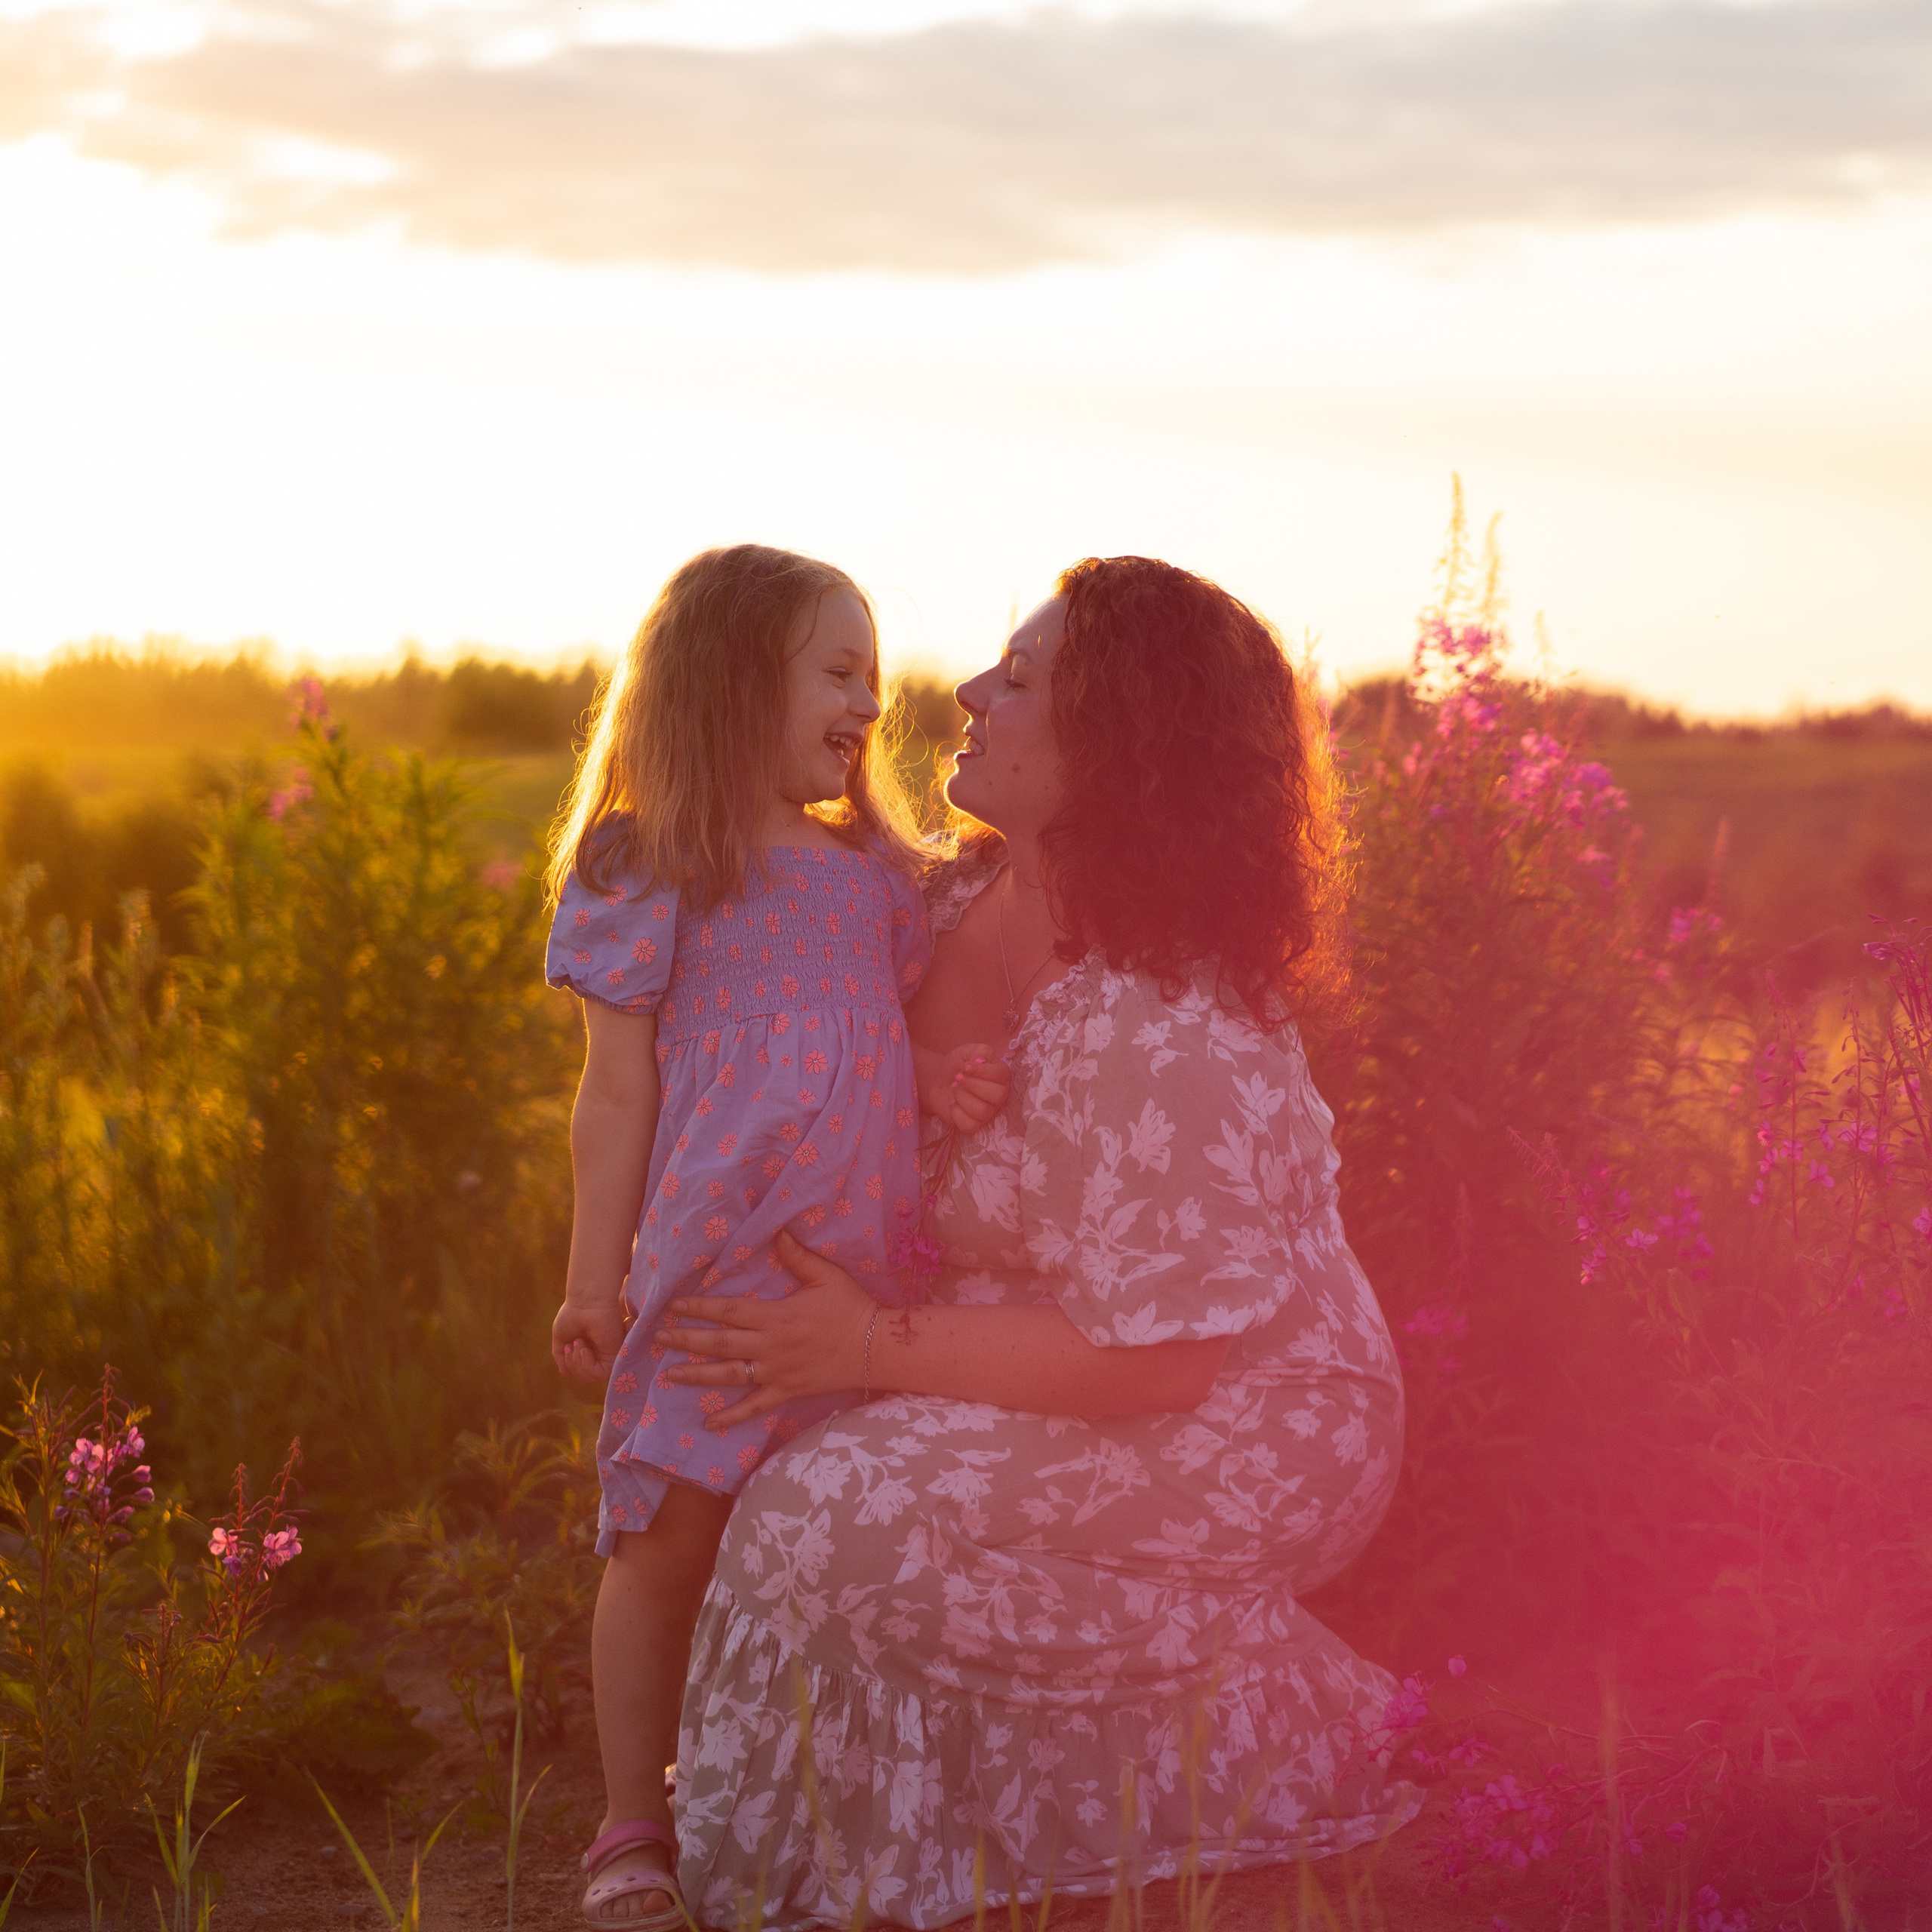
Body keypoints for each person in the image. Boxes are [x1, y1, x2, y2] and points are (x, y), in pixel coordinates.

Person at [656, 555, 1422, 1929]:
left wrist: (869, 1344)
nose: (967, 692)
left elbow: (1164, 1362)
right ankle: (935, 1854)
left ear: (1115, 747)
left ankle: (1232, 1781)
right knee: (780, 1472)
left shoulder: (1161, 1020)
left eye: (1020, 680)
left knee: (837, 1518)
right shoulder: (951, 897)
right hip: (1041, 1343)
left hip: (1243, 1412)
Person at [543, 544, 1011, 1928]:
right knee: (668, 1546)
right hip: (706, 1287)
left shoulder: (872, 876)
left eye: (876, 673)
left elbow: (868, 1037)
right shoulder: (650, 865)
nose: (873, 699)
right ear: (736, 678)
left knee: (810, 1558)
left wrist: (926, 1078)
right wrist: (591, 1281)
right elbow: (617, 1091)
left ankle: (776, 1803)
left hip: (861, 1292)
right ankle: (632, 1829)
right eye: (841, 669)